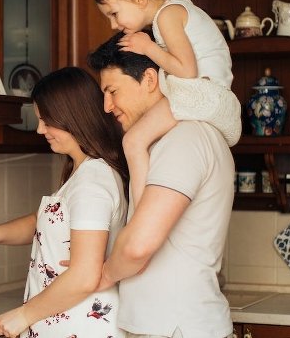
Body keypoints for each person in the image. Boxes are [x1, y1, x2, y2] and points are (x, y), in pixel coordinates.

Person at [0, 67, 129, 338]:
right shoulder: (82, 173)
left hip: (82, 327)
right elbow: (50, 221)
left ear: (73, 116)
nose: (40, 129)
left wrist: (23, 315)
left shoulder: (92, 182)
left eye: (47, 121)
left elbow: (85, 276)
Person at [88, 32, 235, 338]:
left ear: (150, 80)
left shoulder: (186, 138)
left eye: (112, 91)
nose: (107, 106)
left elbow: (139, 246)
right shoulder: (160, 142)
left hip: (177, 329)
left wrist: (103, 273)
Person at [94, 0, 241, 206]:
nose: (113, 25)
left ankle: (140, 216)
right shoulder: (177, 9)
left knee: (133, 142)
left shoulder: (168, 15)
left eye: (114, 13)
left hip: (200, 94)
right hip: (213, 97)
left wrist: (147, 47)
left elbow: (186, 70)